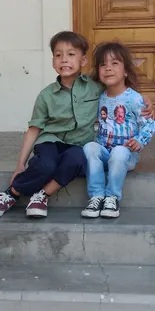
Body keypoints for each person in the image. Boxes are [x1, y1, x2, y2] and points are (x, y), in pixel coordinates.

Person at [0, 33, 153, 218]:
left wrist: (145, 99)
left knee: (77, 159)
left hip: (77, 145)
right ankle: (11, 193)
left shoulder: (95, 86)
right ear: (53, 61)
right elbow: (34, 129)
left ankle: (42, 195)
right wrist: (20, 163)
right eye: (58, 55)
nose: (64, 59)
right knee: (46, 165)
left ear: (83, 60)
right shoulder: (46, 95)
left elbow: (118, 87)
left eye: (71, 54)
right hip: (50, 141)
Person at [81, 42, 155, 219]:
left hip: (126, 156)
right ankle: (97, 196)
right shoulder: (98, 97)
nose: (108, 69)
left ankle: (112, 197)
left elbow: (149, 123)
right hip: (105, 153)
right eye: (103, 65)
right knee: (90, 147)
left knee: (120, 151)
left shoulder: (134, 99)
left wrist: (139, 140)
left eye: (115, 64)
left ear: (126, 71)